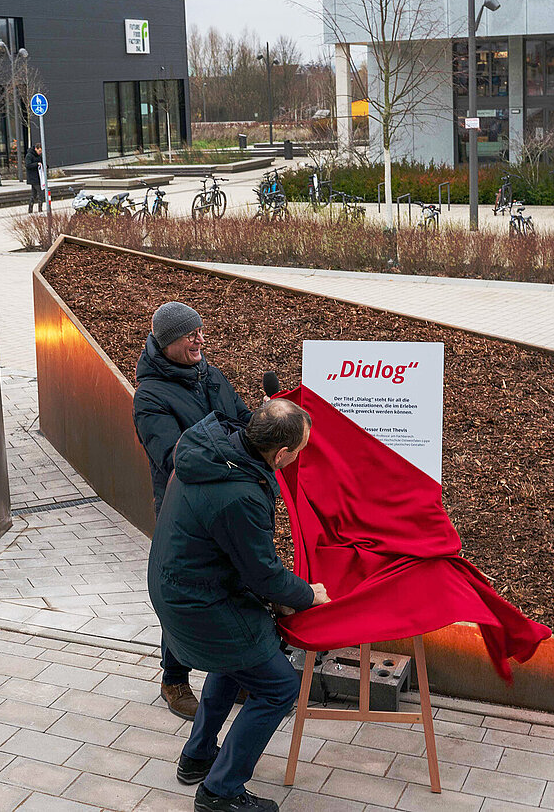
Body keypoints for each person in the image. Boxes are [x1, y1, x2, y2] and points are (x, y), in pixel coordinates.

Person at [148, 400, 330, 812]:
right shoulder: (239, 494)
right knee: (279, 686)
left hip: (179, 588)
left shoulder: (213, 451)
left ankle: (197, 756)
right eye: (299, 451)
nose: (298, 457)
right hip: (197, 602)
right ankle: (219, 792)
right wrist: (306, 595)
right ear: (280, 455)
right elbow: (263, 574)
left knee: (239, 660)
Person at [133, 301, 251, 719]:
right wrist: (235, 449)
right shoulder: (149, 396)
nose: (200, 339)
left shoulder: (211, 374)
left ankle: (232, 675)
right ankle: (174, 679)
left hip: (226, 498)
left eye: (201, 330)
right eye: (190, 334)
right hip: (182, 510)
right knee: (182, 592)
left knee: (233, 585)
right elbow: (175, 456)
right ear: (167, 343)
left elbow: (244, 421)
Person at [25, 142, 44, 213]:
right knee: (40, 193)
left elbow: (42, 162)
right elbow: (28, 165)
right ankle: (40, 209)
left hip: (39, 177)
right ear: (36, 149)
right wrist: (36, 164)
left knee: (34, 194)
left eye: (41, 151)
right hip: (33, 178)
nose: (40, 152)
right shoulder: (29, 155)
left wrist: (45, 166)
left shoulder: (39, 156)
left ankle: (30, 209)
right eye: (39, 151)